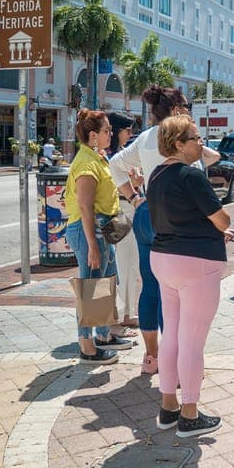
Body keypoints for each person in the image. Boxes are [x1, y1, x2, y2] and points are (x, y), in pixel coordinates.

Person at [110, 86, 220, 374]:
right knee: (175, 293)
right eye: (186, 107)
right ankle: (177, 361)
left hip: (146, 212)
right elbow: (212, 158)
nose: (189, 112)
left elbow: (114, 164)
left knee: (151, 286)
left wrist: (134, 197)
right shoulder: (181, 141)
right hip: (176, 217)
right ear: (175, 111)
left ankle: (152, 357)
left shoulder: (145, 138)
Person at [147, 115, 234, 438]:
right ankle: (190, 412)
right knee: (192, 341)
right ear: (178, 144)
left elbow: (175, 216)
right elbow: (222, 219)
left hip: (163, 258)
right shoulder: (191, 176)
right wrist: (219, 227)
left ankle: (168, 406)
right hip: (196, 262)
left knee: (171, 335)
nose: (201, 143)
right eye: (195, 138)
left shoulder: (156, 175)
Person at [65, 110, 133, 365]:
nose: (111, 134)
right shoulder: (87, 163)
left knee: (106, 283)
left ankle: (103, 335)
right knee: (91, 288)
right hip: (90, 230)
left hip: (102, 229)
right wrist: (92, 245)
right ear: (93, 135)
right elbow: (85, 207)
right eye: (106, 131)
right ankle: (87, 345)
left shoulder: (97, 158)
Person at [106, 111, 141, 337]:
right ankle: (117, 316)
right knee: (119, 266)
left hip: (127, 213)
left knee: (130, 265)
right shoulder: (110, 158)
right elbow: (115, 189)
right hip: (118, 214)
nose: (130, 134)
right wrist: (134, 185)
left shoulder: (120, 155)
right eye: (127, 130)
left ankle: (127, 312)